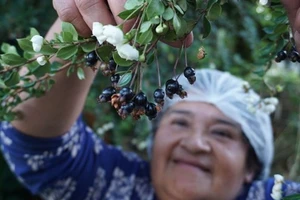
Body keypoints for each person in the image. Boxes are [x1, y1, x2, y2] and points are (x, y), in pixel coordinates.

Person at [0, 1, 300, 200]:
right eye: (180, 122)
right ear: (153, 142)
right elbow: (37, 146)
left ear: (251, 166)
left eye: (221, 132)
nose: (195, 143)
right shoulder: (118, 185)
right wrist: (91, 21)